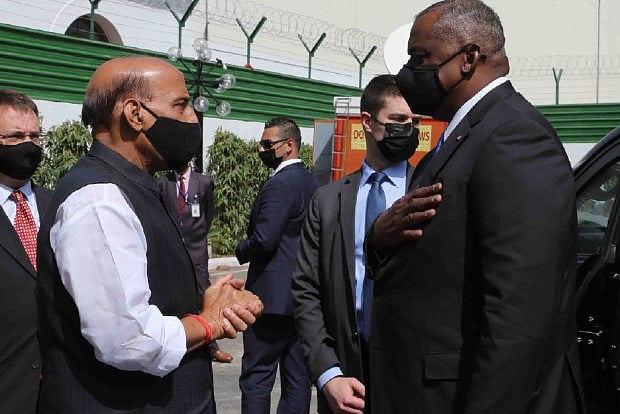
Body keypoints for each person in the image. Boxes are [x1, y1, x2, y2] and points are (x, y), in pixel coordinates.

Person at [365, 1, 586, 413]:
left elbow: (519, 318)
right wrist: (378, 238)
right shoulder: (465, 134)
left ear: (468, 58)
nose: (407, 72)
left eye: (420, 58)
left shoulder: (514, 137)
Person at [36, 56, 263, 413]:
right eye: (181, 105)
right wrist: (208, 322)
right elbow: (128, 339)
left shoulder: (137, 185)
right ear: (134, 114)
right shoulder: (100, 200)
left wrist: (197, 301)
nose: (193, 118)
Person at [292, 74, 441, 414]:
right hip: (346, 377)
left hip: (413, 378)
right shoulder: (327, 201)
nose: (409, 130)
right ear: (368, 123)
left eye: (414, 122)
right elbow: (305, 291)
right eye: (398, 120)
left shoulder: (429, 193)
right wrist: (328, 374)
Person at [236, 116, 318, 413]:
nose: (262, 150)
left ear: (289, 145)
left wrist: (240, 249)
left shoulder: (280, 184)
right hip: (303, 297)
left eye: (267, 144)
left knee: (257, 377)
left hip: (269, 300)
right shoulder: (311, 182)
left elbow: (265, 240)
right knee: (298, 379)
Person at [0, 89, 52, 414]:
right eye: (16, 136)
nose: (29, 144)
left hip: (61, 392)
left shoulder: (60, 204)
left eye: (34, 135)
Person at [158, 163, 234, 363]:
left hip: (196, 248)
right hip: (172, 247)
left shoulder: (204, 182)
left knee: (203, 292)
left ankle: (212, 345)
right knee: (173, 293)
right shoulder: (163, 183)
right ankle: (179, 341)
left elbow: (208, 213)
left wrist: (199, 236)